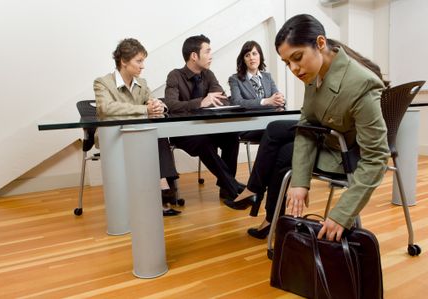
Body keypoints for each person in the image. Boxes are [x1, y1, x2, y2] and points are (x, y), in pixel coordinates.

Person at [226, 14, 390, 241]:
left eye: (297, 57)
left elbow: (376, 157)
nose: (293, 68)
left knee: (282, 150)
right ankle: (273, 219)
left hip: (346, 154)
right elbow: (306, 124)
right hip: (328, 140)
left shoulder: (361, 84)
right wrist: (300, 181)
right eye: (287, 63)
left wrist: (342, 213)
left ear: (321, 44)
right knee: (281, 147)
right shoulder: (314, 73)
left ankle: (269, 216)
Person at [94, 38, 181, 216]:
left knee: (158, 134)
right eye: (139, 61)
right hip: (114, 135)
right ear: (124, 61)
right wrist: (144, 109)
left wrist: (158, 105)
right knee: (151, 137)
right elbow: (106, 108)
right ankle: (164, 188)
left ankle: (162, 185)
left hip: (139, 134)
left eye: (143, 61)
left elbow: (153, 102)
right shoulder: (103, 83)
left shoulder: (141, 83)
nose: (142, 66)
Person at [164, 34, 245, 201]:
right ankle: (232, 185)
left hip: (208, 129)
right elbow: (171, 105)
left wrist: (216, 101)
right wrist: (201, 102)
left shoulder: (208, 74)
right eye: (207, 51)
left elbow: (221, 98)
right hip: (184, 133)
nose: (211, 55)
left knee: (231, 136)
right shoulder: (175, 76)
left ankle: (226, 188)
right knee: (203, 141)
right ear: (194, 56)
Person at [229, 40, 286, 142]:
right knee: (277, 131)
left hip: (269, 122)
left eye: (254, 53)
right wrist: (265, 101)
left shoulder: (267, 77)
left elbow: (277, 98)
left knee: (288, 129)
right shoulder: (235, 79)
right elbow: (237, 102)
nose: (251, 57)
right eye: (247, 55)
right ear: (243, 60)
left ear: (260, 56)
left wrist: (280, 99)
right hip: (248, 126)